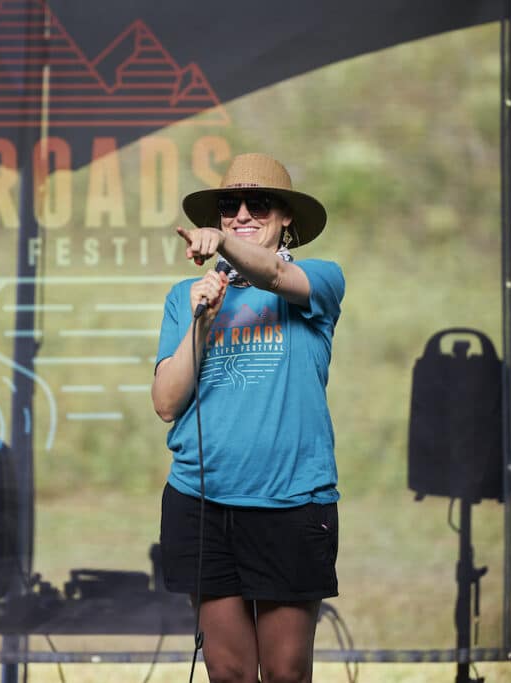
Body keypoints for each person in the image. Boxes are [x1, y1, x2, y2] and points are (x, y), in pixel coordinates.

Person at [151, 152, 345, 683]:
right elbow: (167, 403)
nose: (240, 214)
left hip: (290, 503)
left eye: (257, 204)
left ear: (286, 219)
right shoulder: (185, 298)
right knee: (229, 671)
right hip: (201, 503)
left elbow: (277, 274)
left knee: (285, 672)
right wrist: (201, 323)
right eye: (229, 206)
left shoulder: (319, 280)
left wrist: (227, 248)